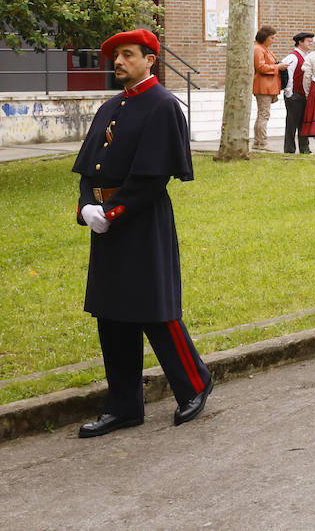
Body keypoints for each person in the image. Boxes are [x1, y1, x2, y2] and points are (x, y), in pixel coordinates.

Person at [73, 28, 210, 438]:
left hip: (142, 217)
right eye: (116, 56)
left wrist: (112, 211)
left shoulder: (163, 105)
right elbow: (86, 169)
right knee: (111, 312)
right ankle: (124, 405)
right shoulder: (110, 106)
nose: (119, 62)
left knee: (155, 308)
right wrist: (86, 208)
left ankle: (194, 384)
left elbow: (153, 177)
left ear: (151, 59)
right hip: (105, 222)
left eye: (128, 55)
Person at [279, 31, 315, 155]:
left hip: (305, 95)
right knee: (292, 124)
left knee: (304, 124)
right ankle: (289, 150)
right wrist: (289, 93)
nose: (311, 43)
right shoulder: (293, 57)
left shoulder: (307, 56)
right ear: (300, 42)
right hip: (294, 95)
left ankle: (304, 149)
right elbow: (289, 76)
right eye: (308, 41)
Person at [252, 26, 281, 151]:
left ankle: (258, 142)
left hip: (267, 86)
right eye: (272, 38)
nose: (273, 41)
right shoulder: (258, 49)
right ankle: (261, 142)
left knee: (262, 114)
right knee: (263, 115)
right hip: (263, 86)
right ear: (265, 37)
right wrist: (278, 67)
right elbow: (261, 67)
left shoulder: (263, 49)